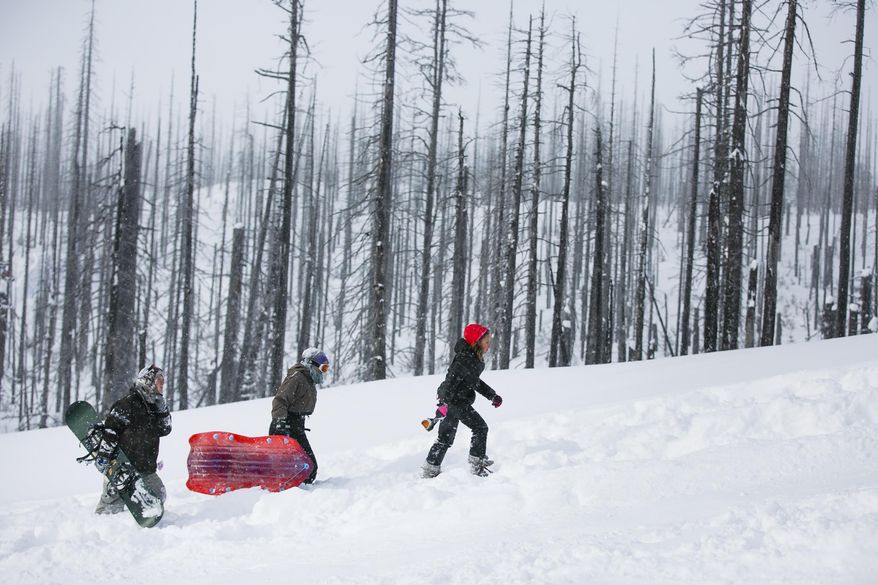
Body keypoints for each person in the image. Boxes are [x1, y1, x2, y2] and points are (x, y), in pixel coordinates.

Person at [423, 323, 503, 478]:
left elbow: (464, 380)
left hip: (450, 400)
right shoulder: (466, 358)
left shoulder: (468, 355)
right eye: (486, 342)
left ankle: (431, 469)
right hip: (456, 401)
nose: (488, 346)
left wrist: (444, 400)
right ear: (477, 341)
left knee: (445, 438)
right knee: (480, 428)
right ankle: (476, 464)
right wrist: (492, 395)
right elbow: (474, 382)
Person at [95, 364, 172, 515]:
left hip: (145, 469)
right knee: (110, 506)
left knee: (158, 495)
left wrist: (162, 410)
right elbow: (110, 431)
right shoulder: (126, 404)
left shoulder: (153, 407)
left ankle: (141, 529)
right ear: (148, 382)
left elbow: (165, 429)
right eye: (159, 381)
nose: (162, 385)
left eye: (163, 382)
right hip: (122, 468)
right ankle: (101, 528)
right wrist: (104, 456)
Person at [269, 347, 329, 484]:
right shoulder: (296, 377)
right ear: (311, 364)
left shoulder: (308, 379)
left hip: (297, 425)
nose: (323, 372)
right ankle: (283, 485)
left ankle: (294, 486)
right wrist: (280, 423)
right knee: (309, 467)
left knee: (309, 469)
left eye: (326, 369)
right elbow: (280, 400)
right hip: (285, 425)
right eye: (323, 368)